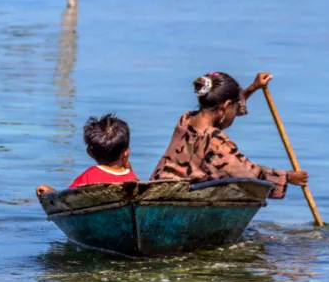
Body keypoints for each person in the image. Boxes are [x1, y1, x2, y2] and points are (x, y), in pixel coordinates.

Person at [150, 71, 307, 199]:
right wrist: (287, 177)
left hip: (156, 191)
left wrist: (253, 88)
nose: (236, 112)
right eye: (235, 107)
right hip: (177, 200)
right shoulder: (216, 143)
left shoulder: (186, 120)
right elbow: (249, 177)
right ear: (226, 106)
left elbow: (219, 109)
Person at [36, 114, 139, 196]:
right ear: (126, 152)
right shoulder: (132, 177)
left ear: (89, 152)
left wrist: (51, 193)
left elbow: (67, 198)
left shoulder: (89, 176)